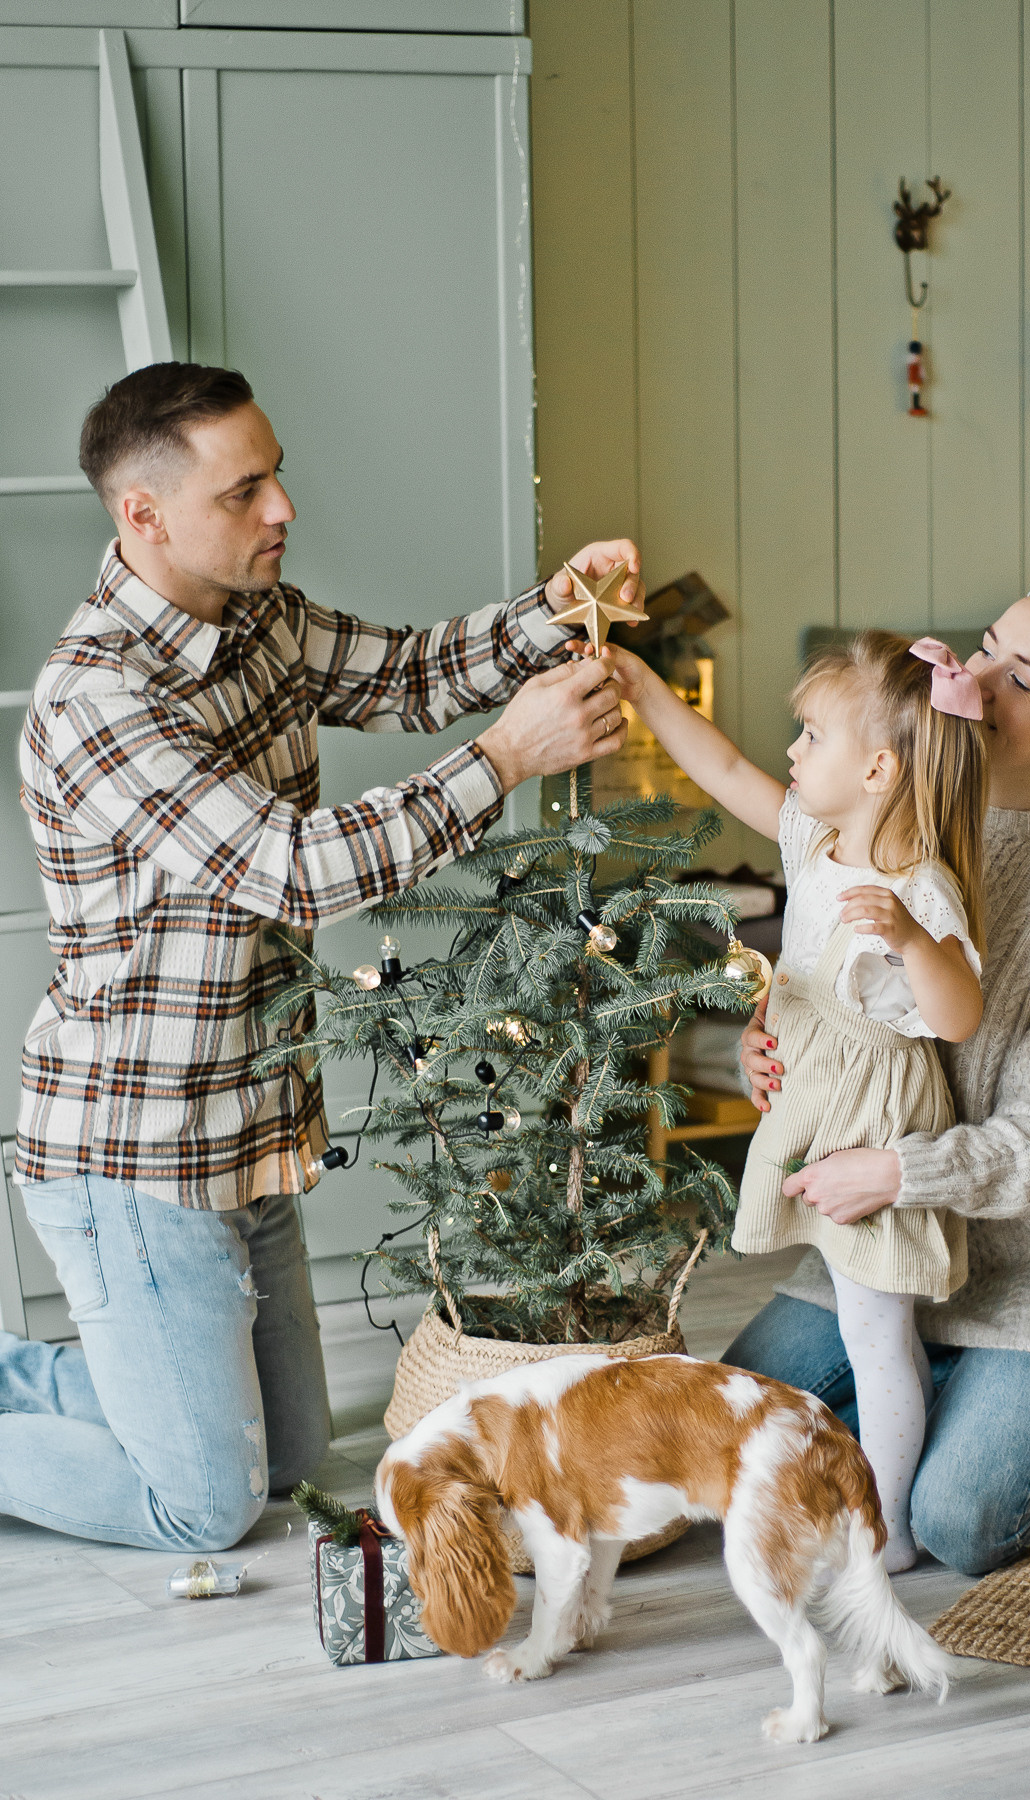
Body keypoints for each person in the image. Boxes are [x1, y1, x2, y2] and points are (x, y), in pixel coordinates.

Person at [0, 361, 643, 1552]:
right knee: (201, 1505)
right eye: (245, 490)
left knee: (294, 1461)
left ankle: (115, 1391)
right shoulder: (99, 698)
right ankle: (143, 1408)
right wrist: (505, 760)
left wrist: (547, 617)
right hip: (136, 1161)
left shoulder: (255, 617)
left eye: (275, 474)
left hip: (247, 1128)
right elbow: (293, 869)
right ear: (143, 515)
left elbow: (404, 674)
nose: (283, 507)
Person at [732, 577, 1030, 1574]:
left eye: (1018, 677)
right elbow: (827, 990)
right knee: (734, 1434)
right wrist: (766, 1054)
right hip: (891, 1251)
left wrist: (894, 1174)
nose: (969, 679)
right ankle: (941, 1379)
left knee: (955, 1521)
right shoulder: (905, 820)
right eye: (982, 647)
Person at [605, 629, 988, 1569]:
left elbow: (960, 1015)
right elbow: (726, 766)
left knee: (876, 1335)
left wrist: (912, 942)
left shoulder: (917, 888)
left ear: (878, 771)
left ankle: (887, 1526)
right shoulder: (814, 840)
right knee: (855, 1318)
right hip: (814, 1099)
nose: (791, 751)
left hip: (869, 1120)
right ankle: (855, 1467)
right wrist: (646, 693)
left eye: (811, 735)